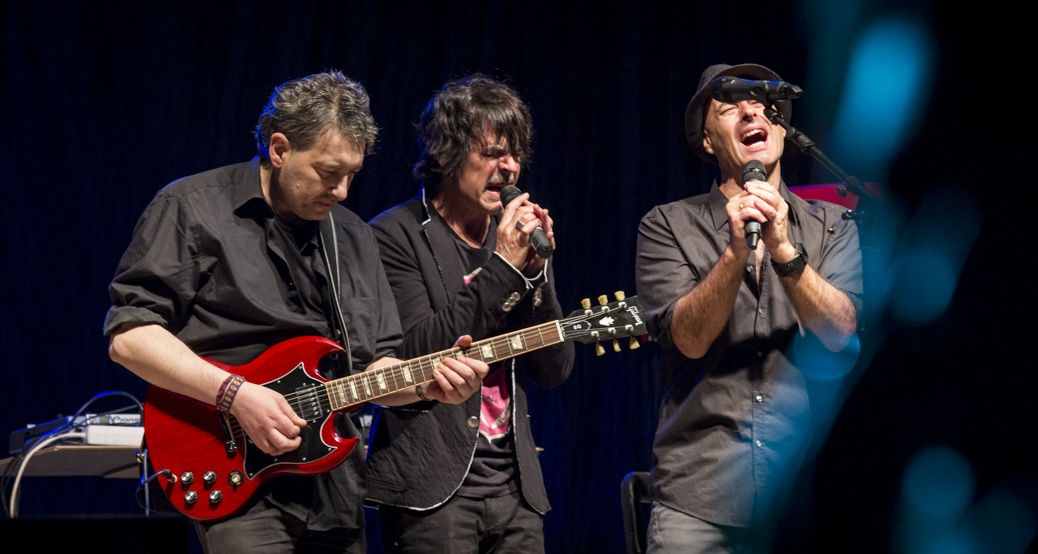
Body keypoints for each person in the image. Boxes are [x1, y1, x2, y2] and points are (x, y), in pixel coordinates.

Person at [104, 71, 488, 554]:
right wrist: (235, 395)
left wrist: (424, 385)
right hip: (230, 478)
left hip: (334, 488)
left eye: (353, 174)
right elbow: (131, 336)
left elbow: (376, 364)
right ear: (280, 149)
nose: (344, 191)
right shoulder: (192, 209)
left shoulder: (353, 237)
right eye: (329, 172)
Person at [635, 63, 863, 553]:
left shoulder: (833, 226)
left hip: (798, 499)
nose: (750, 111)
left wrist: (784, 250)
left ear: (779, 125)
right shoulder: (666, 225)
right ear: (708, 141)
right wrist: (737, 252)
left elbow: (843, 335)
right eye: (729, 106)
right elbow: (689, 339)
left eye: (762, 104)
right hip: (698, 500)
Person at [365, 75, 575, 553]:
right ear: (443, 153)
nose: (508, 168)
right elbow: (415, 354)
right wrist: (504, 268)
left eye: (514, 154)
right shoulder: (394, 236)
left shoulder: (520, 242)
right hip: (430, 490)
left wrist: (537, 277)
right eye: (492, 153)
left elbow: (554, 370)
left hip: (515, 490)